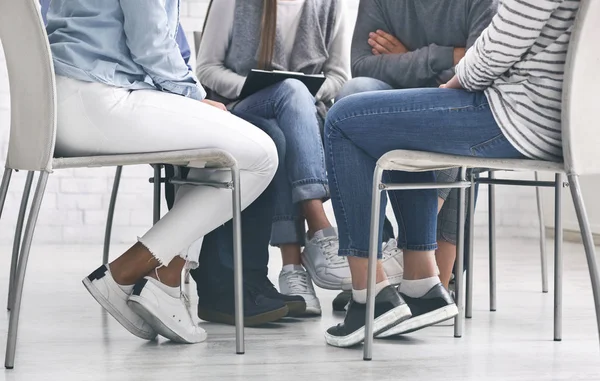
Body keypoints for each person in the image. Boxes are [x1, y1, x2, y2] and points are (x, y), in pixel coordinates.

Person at [323, 0, 580, 347]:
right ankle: (422, 285)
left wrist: (458, 79)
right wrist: (452, 62)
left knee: (343, 119)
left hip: (514, 115)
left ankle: (370, 296)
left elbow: (501, 42)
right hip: (549, 121)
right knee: (384, 124)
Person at [45, 0, 278, 344]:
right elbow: (150, 41)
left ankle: (165, 283)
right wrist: (195, 97)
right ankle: (126, 271)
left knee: (210, 153)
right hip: (99, 95)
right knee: (261, 156)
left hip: (63, 97)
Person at [330, 0, 498, 312]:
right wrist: (445, 55)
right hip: (400, 92)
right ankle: (388, 264)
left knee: (452, 103)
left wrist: (405, 59)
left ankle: (428, 273)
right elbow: (362, 65)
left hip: (462, 102)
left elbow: (478, 71)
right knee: (354, 96)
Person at [193, 0, 351, 322]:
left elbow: (339, 76)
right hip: (241, 105)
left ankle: (293, 271)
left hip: (304, 115)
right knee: (290, 92)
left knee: (283, 125)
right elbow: (206, 68)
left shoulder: (331, 5)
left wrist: (305, 98)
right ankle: (319, 228)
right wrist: (263, 87)